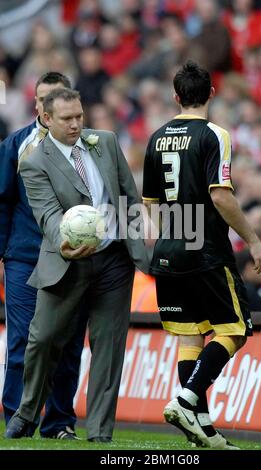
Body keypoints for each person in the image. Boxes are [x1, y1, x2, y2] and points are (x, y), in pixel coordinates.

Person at [142, 61, 261, 450]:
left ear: (175, 96)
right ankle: (186, 399)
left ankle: (203, 428)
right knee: (235, 329)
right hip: (207, 251)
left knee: (192, 334)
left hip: (169, 249)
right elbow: (220, 194)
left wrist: (175, 235)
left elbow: (150, 203)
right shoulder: (215, 135)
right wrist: (254, 241)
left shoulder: (156, 137)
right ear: (211, 93)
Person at [6, 88, 149, 442]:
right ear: (47, 119)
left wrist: (141, 253)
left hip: (114, 261)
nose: (75, 124)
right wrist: (66, 242)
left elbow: (129, 197)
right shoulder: (34, 162)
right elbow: (48, 215)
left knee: (108, 345)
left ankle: (99, 433)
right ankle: (27, 412)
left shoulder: (106, 141)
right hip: (67, 261)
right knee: (41, 340)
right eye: (67, 118)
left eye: (79, 116)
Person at [0, 72, 88, 439]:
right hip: (25, 256)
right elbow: (3, 201)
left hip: (72, 255)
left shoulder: (87, 145)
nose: (45, 105)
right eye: (41, 99)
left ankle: (59, 422)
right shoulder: (17, 145)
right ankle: (17, 418)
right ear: (38, 105)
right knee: (23, 337)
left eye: (54, 98)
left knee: (67, 341)